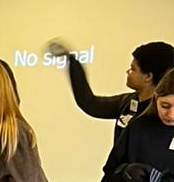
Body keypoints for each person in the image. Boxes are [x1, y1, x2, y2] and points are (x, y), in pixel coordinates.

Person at [52, 37, 174, 170]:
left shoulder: (166, 116)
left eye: (133, 69)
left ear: (148, 76)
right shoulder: (128, 102)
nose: (128, 72)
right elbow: (90, 104)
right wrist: (73, 63)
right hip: (121, 178)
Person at [101, 66, 174, 182]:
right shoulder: (138, 128)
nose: (171, 114)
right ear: (155, 99)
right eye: (165, 106)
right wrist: (125, 175)